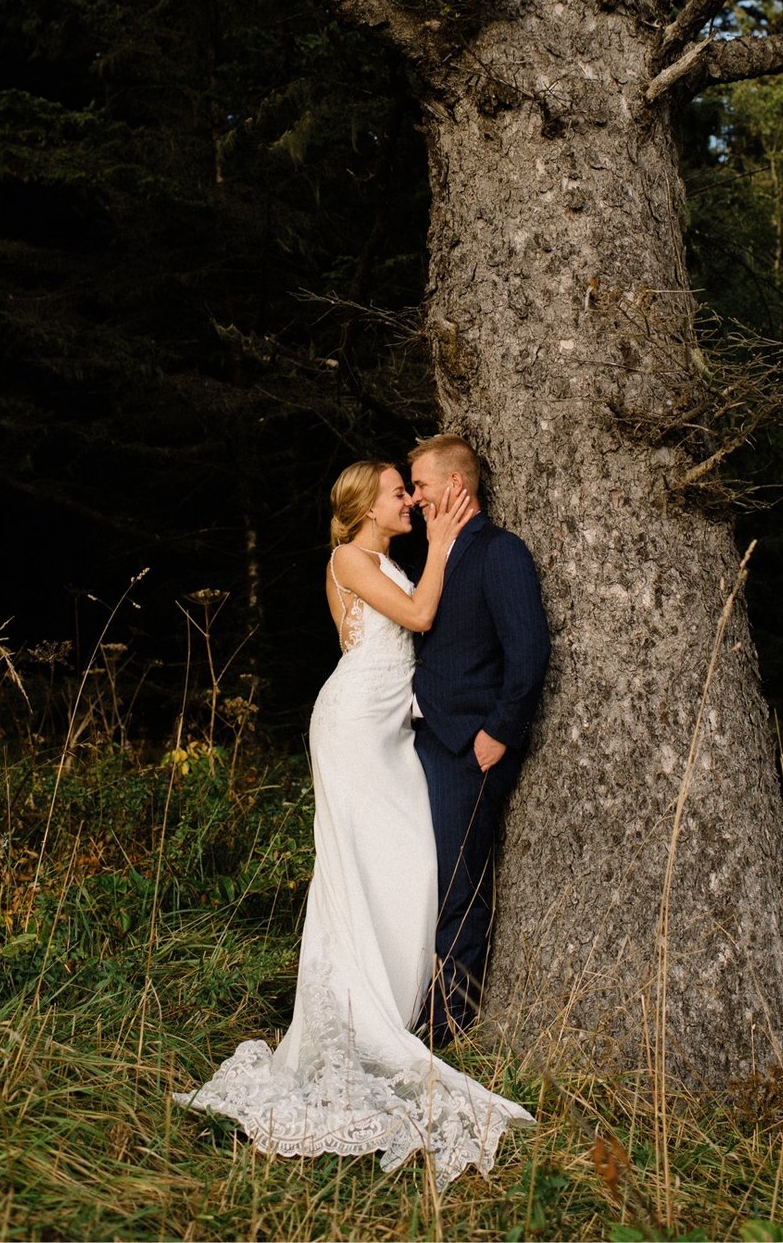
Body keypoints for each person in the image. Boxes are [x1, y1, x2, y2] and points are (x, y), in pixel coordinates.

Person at [173, 460, 532, 1183]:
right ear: (369, 506)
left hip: (391, 733)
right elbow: (420, 618)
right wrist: (444, 538)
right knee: (358, 863)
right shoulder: (348, 555)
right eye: (400, 491)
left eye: (411, 489)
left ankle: (392, 998)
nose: (409, 499)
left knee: (406, 861)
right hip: (353, 727)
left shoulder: (382, 558)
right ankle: (359, 1008)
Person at [405, 432, 550, 1042]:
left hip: (469, 745)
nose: (414, 499)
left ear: (455, 487)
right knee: (427, 879)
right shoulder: (433, 556)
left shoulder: (500, 552)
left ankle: (447, 1027)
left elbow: (530, 650)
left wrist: (499, 732)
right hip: (423, 743)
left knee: (458, 884)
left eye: (421, 486)